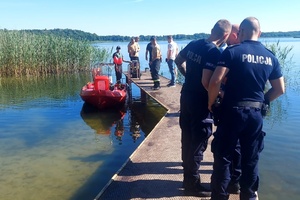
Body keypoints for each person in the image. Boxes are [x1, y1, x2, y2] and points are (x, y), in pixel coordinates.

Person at [208, 17, 285, 200]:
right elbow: (280, 89)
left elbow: (215, 82)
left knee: (223, 157)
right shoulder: (270, 56)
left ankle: (220, 195)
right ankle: (249, 195)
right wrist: (263, 101)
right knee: (251, 159)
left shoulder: (232, 52)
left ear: (241, 32)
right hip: (255, 115)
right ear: (260, 32)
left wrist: (211, 103)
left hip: (232, 113)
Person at [174, 19, 232, 197]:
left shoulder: (194, 43)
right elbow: (207, 82)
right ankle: (192, 184)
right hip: (200, 100)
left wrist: (187, 75)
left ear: (212, 30)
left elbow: (178, 60)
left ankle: (187, 179)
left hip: (186, 97)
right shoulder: (214, 52)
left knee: (187, 138)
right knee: (198, 141)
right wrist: (219, 95)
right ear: (225, 35)